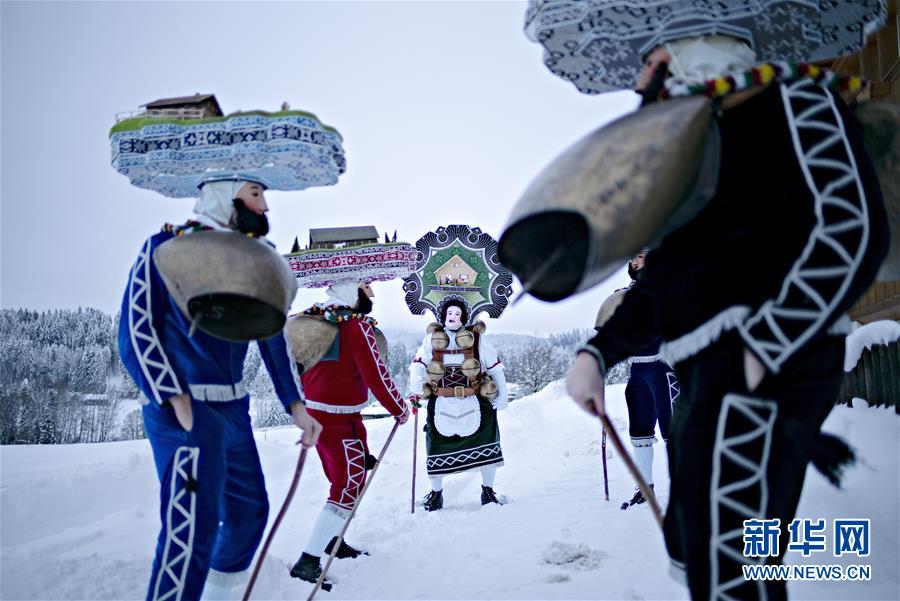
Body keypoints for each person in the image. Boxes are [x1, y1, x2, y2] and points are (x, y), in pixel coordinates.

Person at [566, 36, 889, 600]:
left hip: (772, 364)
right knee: (703, 549)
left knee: (737, 560)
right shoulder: (687, 144)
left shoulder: (802, 104)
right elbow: (664, 282)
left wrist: (767, 343)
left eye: (647, 60)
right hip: (706, 373)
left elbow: (851, 229)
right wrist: (599, 353)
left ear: (685, 52)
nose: (639, 79)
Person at [118, 179, 323, 601]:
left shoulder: (254, 261)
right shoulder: (163, 247)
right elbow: (136, 328)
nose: (264, 206)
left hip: (235, 411)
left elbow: (274, 336)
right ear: (223, 192)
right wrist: (172, 396)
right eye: (255, 193)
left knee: (249, 517)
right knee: (192, 527)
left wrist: (296, 405)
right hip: (184, 410)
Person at [289, 282, 409, 586]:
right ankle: (308, 561)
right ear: (350, 288)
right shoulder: (355, 327)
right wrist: (399, 408)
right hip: (338, 420)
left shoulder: (312, 320)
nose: (371, 294)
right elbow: (376, 375)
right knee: (347, 485)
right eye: (366, 286)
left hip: (321, 415)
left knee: (343, 480)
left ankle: (332, 540)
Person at [409, 299, 509, 511]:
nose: (452, 316)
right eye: (449, 312)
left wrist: (503, 394)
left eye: (457, 313)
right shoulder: (431, 340)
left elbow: (494, 366)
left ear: (463, 316)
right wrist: (415, 385)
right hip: (441, 401)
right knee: (435, 447)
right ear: (443, 314)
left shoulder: (477, 339)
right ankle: (436, 494)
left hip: (474, 399)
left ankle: (488, 491)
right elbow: (419, 364)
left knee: (487, 443)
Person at [615, 249, 679, 510]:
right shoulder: (625, 295)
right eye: (633, 257)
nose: (636, 261)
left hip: (664, 368)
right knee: (639, 433)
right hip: (637, 371)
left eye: (642, 255)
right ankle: (645, 489)